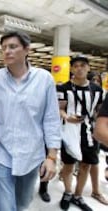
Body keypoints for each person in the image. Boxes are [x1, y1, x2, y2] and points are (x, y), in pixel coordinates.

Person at [0, 31, 61, 211]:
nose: (7, 51)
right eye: (4, 48)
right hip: (0, 152)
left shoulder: (44, 79)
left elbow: (51, 119)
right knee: (6, 207)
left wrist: (52, 156)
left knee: (22, 204)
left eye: (13, 46)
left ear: (27, 49)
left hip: (31, 154)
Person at [58, 56, 105, 211]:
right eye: (76, 66)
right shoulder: (63, 88)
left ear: (88, 68)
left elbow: (99, 112)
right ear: (71, 69)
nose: (79, 68)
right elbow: (60, 108)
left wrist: (99, 128)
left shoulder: (97, 90)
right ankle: (67, 192)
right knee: (69, 165)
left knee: (86, 165)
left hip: (89, 132)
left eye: (83, 65)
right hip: (69, 131)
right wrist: (67, 117)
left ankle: (78, 196)